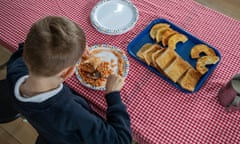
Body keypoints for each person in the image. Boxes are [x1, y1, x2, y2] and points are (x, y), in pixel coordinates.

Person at [7, 16, 132, 144]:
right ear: (68, 72)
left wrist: (72, 48)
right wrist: (113, 96)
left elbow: (28, 47)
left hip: (47, 134)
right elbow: (121, 140)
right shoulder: (73, 114)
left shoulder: (15, 70)